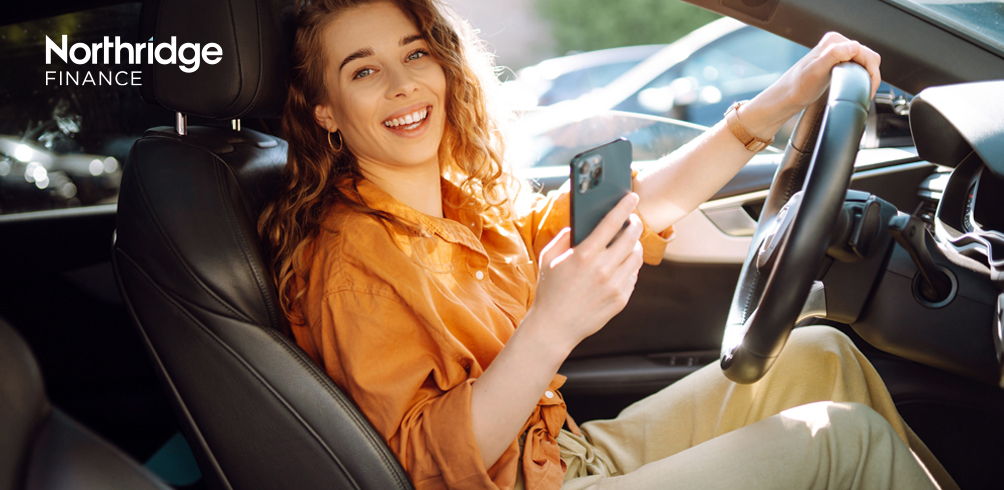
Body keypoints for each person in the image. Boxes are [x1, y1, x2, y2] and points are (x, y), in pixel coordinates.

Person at [258, 0, 958, 489]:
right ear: (325, 111)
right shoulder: (350, 262)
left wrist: (773, 107)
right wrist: (550, 327)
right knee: (843, 440)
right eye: (363, 70)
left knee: (819, 354)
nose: (405, 83)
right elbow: (419, 469)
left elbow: (637, 206)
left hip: (558, 456)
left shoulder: (462, 205)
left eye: (414, 53)